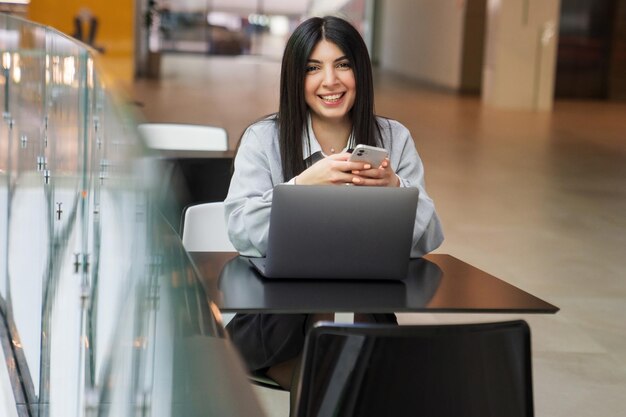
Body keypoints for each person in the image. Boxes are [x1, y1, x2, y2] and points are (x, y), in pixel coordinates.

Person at [223, 16, 444, 391]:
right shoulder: (263, 139)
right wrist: (300, 185)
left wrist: (395, 188)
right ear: (295, 78)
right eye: (313, 68)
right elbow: (241, 231)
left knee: (334, 373)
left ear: (360, 71)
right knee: (340, 379)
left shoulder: (394, 137)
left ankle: (325, 387)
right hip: (275, 319)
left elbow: (428, 240)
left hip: (362, 309)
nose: (330, 81)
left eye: (343, 64)